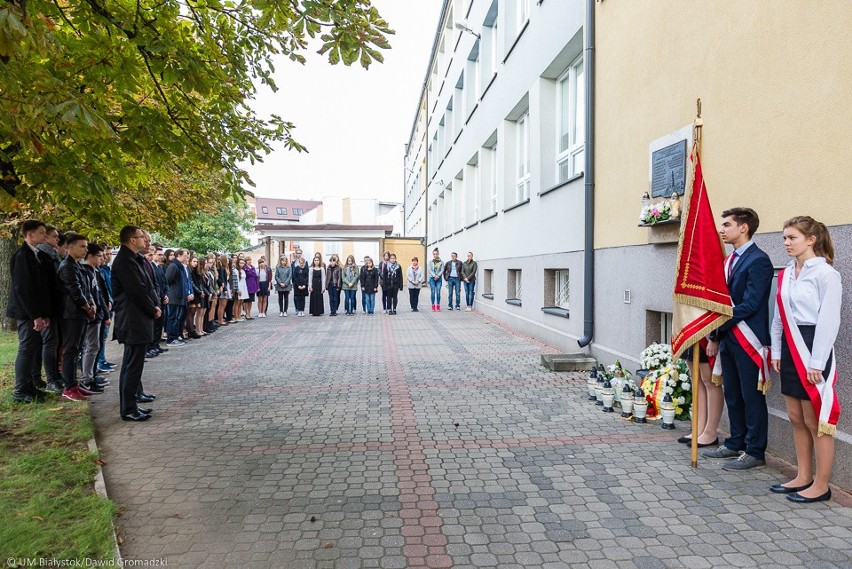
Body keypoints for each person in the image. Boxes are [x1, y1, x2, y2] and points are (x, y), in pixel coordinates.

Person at [769, 216, 841, 503]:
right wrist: (776, 350)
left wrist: (817, 362)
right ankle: (803, 475)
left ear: (810, 240)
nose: (786, 243)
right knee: (796, 416)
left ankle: (822, 486)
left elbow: (829, 320)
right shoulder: (786, 273)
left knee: (816, 420)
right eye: (785, 238)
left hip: (813, 348)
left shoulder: (825, 274)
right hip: (789, 346)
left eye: (792, 238)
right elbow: (778, 317)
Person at [702, 208, 774, 470]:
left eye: (727, 225)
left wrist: (719, 321)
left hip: (748, 338)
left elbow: (752, 303)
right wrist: (715, 333)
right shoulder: (729, 259)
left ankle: (755, 451)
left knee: (751, 396)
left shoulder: (759, 260)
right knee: (732, 392)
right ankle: (736, 443)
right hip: (729, 336)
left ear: (744, 228)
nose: (722, 230)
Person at [112, 226, 161, 421]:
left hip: (138, 318)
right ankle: (129, 409)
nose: (144, 240)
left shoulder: (133, 259)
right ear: (132, 240)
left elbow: (146, 286)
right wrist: (152, 308)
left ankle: (131, 404)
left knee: (133, 365)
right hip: (133, 319)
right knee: (132, 366)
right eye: (141, 237)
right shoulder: (125, 261)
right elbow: (137, 290)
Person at [6, 220, 54, 403]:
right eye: (41, 233)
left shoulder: (36, 254)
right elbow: (23, 288)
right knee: (26, 348)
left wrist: (44, 313)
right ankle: (20, 389)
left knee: (33, 348)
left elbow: (40, 287)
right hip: (26, 312)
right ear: (30, 234)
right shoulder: (22, 255)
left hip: (35, 311)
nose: (44, 236)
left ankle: (30, 385)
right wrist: (35, 315)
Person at [677, 343, 722, 448]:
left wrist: (712, 339)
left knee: (709, 380)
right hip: (690, 332)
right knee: (696, 378)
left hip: (705, 334)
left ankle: (710, 432)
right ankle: (699, 428)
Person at [165, 249, 192, 345]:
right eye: (185, 255)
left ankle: (176, 336)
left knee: (178, 318)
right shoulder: (173, 266)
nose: (186, 257)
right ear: (179, 255)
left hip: (180, 297)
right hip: (174, 297)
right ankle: (171, 339)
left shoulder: (180, 266)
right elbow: (167, 281)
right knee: (172, 318)